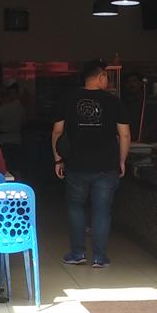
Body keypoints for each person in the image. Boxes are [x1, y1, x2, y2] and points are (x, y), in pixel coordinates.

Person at [52, 60, 130, 269]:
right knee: (101, 211)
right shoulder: (113, 101)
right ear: (101, 77)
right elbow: (124, 134)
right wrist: (122, 160)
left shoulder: (68, 99)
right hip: (106, 165)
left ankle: (77, 253)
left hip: (76, 164)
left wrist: (58, 159)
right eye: (106, 76)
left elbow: (57, 131)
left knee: (76, 208)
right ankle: (99, 257)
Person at [0, 84, 25, 176]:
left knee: (4, 167)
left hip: (3, 141)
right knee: (16, 166)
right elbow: (24, 122)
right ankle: (18, 182)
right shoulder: (20, 108)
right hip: (17, 140)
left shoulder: (0, 109)